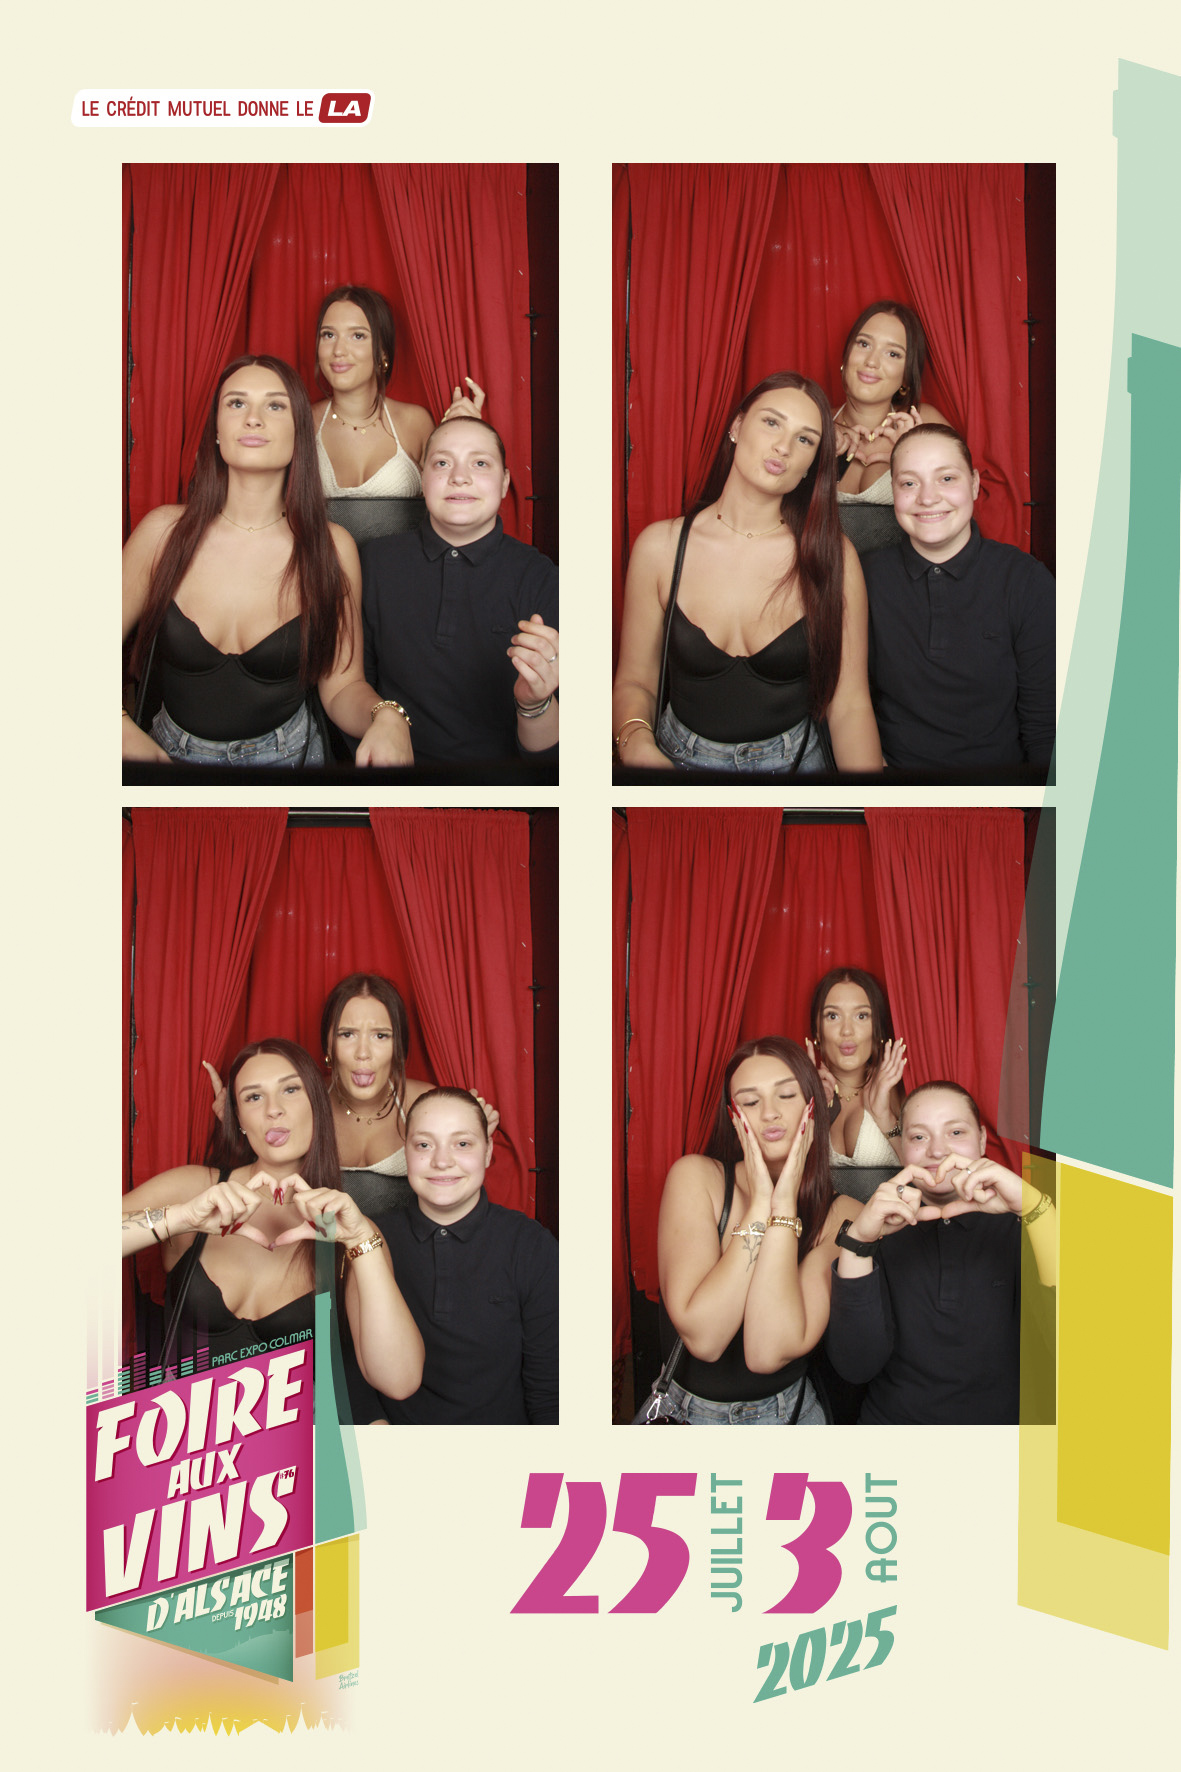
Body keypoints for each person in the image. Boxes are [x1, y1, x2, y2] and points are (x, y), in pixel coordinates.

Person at [122, 356, 414, 767]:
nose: (253, 418)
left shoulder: (332, 548)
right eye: (236, 403)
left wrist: (387, 717)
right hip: (168, 758)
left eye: (275, 405)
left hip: (290, 762)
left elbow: (342, 687)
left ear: (299, 433)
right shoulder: (162, 534)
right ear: (217, 430)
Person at [121, 1039, 424, 1402]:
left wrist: (361, 1241)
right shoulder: (193, 1189)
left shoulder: (350, 1228)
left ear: (318, 1105)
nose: (273, 1110)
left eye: (290, 1090)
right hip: (184, 1434)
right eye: (253, 1097)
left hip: (299, 1436)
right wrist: (180, 1218)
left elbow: (399, 1382)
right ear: (239, 1120)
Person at [613, 373, 883, 775]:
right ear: (737, 427)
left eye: (805, 439)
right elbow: (635, 681)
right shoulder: (660, 548)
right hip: (674, 763)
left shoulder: (834, 557)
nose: (783, 447)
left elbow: (850, 706)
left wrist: (870, 803)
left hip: (796, 768)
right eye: (772, 422)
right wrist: (636, 744)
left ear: (812, 465)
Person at [645, 1038, 862, 1424]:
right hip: (687, 1415)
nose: (770, 1113)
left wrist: (784, 1205)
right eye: (750, 1101)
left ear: (812, 1107)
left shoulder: (843, 1213)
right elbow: (705, 1340)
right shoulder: (696, 1178)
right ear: (734, 1117)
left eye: (786, 1095)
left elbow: (768, 1351)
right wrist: (761, 1205)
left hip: (791, 1414)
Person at [824, 1081, 1056, 1424]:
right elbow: (855, 1366)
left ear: (981, 1141)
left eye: (956, 1132)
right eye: (919, 1137)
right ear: (902, 1149)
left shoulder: (1027, 1224)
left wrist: (1034, 1208)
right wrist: (859, 1242)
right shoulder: (878, 1230)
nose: (937, 1151)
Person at [201, 971, 502, 1220]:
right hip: (324, 1252)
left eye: (380, 1036)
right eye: (347, 1035)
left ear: (398, 1045)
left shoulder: (428, 1104)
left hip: (409, 1251)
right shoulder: (303, 1100)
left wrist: (471, 1136)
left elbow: (456, 1180)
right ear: (328, 1044)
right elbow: (269, 1165)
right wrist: (238, 1116)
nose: (363, 1053)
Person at [361, 418, 559, 765]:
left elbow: (553, 757)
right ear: (422, 478)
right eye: (442, 463)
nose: (459, 477)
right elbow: (351, 687)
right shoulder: (374, 562)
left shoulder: (541, 577)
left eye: (480, 463)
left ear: (505, 483)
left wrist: (535, 703)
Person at [864, 425, 1055, 775]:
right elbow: (846, 704)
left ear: (975, 484)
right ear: (893, 491)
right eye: (909, 483)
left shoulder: (1026, 581)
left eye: (947, 478)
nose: (927, 498)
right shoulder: (865, 578)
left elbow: (1045, 727)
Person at [370, 1089, 558, 1424]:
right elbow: (347, 1360)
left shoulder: (531, 1245)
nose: (442, 1161)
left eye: (462, 1143)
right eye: (424, 1145)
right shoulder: (373, 1238)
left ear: (488, 1152)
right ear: (405, 1153)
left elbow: (550, 1388)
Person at [312, 284, 484, 536]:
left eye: (357, 336)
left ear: (383, 351)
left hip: (405, 561)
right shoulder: (303, 421)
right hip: (322, 563)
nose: (338, 350)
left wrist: (466, 435)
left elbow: (453, 500)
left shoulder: (415, 422)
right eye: (328, 335)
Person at [831, 302, 947, 557]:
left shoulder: (924, 422)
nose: (871, 361)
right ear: (846, 356)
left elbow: (956, 512)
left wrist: (915, 453)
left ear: (906, 376)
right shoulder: (815, 422)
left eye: (893, 354)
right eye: (863, 344)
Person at [805, 968, 906, 1205]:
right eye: (832, 1016)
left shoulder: (898, 1089)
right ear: (817, 1029)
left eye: (862, 1016)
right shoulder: (802, 1096)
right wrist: (810, 1115)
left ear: (877, 1026)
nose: (847, 1031)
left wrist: (885, 1117)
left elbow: (929, 1177)